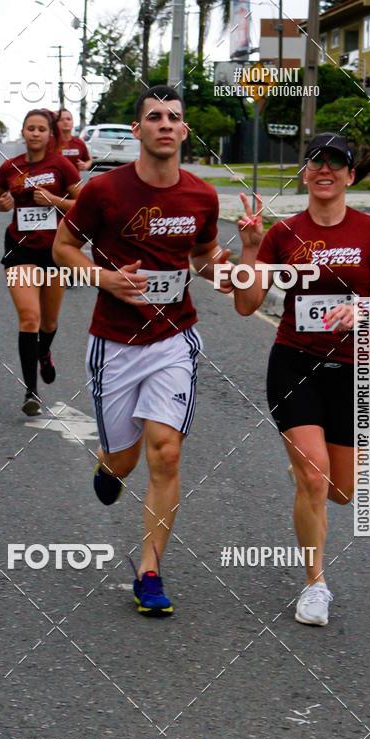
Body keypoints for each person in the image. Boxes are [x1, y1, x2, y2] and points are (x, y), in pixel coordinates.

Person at [53, 85, 233, 617]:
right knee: (125, 460)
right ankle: (108, 466)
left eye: (173, 117)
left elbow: (202, 258)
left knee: (167, 451)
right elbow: (64, 246)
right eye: (153, 116)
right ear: (137, 130)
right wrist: (103, 278)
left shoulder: (201, 195)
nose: (164, 124)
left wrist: (238, 259)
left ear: (183, 131)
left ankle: (150, 570)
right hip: (114, 343)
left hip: (173, 338)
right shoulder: (104, 192)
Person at [233, 132, 370, 627]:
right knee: (314, 477)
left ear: (350, 175)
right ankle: (315, 584)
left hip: (353, 370)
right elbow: (246, 306)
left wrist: (363, 308)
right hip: (294, 363)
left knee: (342, 492)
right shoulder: (283, 234)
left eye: (335, 162)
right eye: (315, 161)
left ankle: (310, 471)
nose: (324, 169)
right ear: (305, 172)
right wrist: (249, 249)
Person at [0, 108, 81, 416]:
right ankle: (31, 391)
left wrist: (55, 201)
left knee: (49, 322)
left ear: (50, 134)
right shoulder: (10, 167)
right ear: (24, 132)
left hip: (55, 250)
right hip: (20, 249)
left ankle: (44, 352)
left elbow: (83, 204)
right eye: (31, 128)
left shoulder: (61, 166)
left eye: (42, 128)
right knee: (30, 317)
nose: (36, 133)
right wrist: (1, 205)